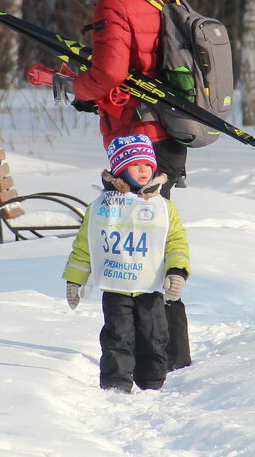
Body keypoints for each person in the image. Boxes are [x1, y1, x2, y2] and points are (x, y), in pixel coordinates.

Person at [70, 0, 194, 371]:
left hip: (138, 138)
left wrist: (80, 90)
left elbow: (107, 74)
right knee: (157, 240)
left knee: (139, 247)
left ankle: (151, 359)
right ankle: (171, 354)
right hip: (172, 131)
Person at [62, 134, 191, 392]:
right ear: (121, 169)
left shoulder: (163, 207)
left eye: (147, 165)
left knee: (153, 336)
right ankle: (115, 386)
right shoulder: (101, 207)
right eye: (135, 165)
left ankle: (152, 384)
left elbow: (175, 241)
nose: (143, 170)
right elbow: (86, 244)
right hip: (116, 286)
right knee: (117, 337)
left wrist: (177, 271)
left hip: (150, 287)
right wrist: (75, 278)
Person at [71, 0, 189, 192]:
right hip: (173, 123)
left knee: (131, 221)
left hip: (138, 132)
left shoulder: (115, 1)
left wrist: (80, 89)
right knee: (155, 220)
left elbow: (110, 72)